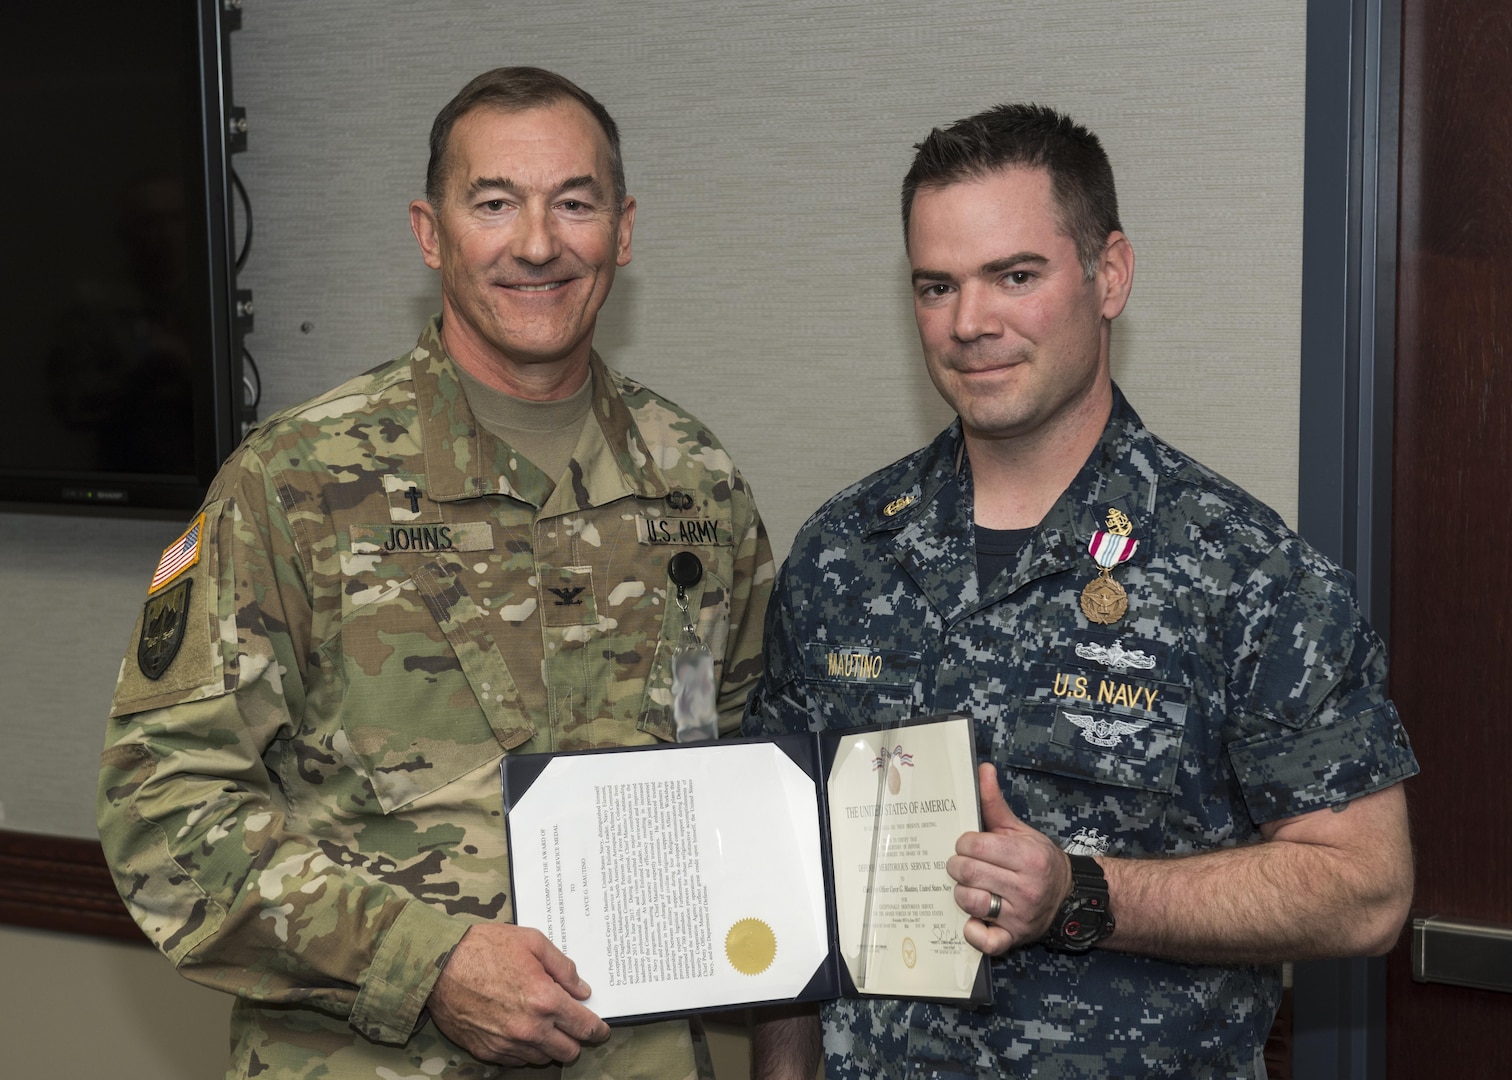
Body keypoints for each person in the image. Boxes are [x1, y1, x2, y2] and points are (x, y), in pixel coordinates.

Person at [97, 67, 773, 1079]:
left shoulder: (697, 484)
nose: (537, 243)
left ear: (622, 231)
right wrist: (429, 962)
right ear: (431, 232)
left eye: (574, 203)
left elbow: (747, 758)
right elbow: (162, 807)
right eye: (494, 203)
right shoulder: (295, 482)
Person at [743, 103, 1417, 1079]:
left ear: (1109, 276)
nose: (972, 323)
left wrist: (1083, 896)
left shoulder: (1243, 570)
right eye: (938, 286)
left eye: (1015, 276)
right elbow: (791, 880)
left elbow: (1366, 891)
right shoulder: (843, 555)